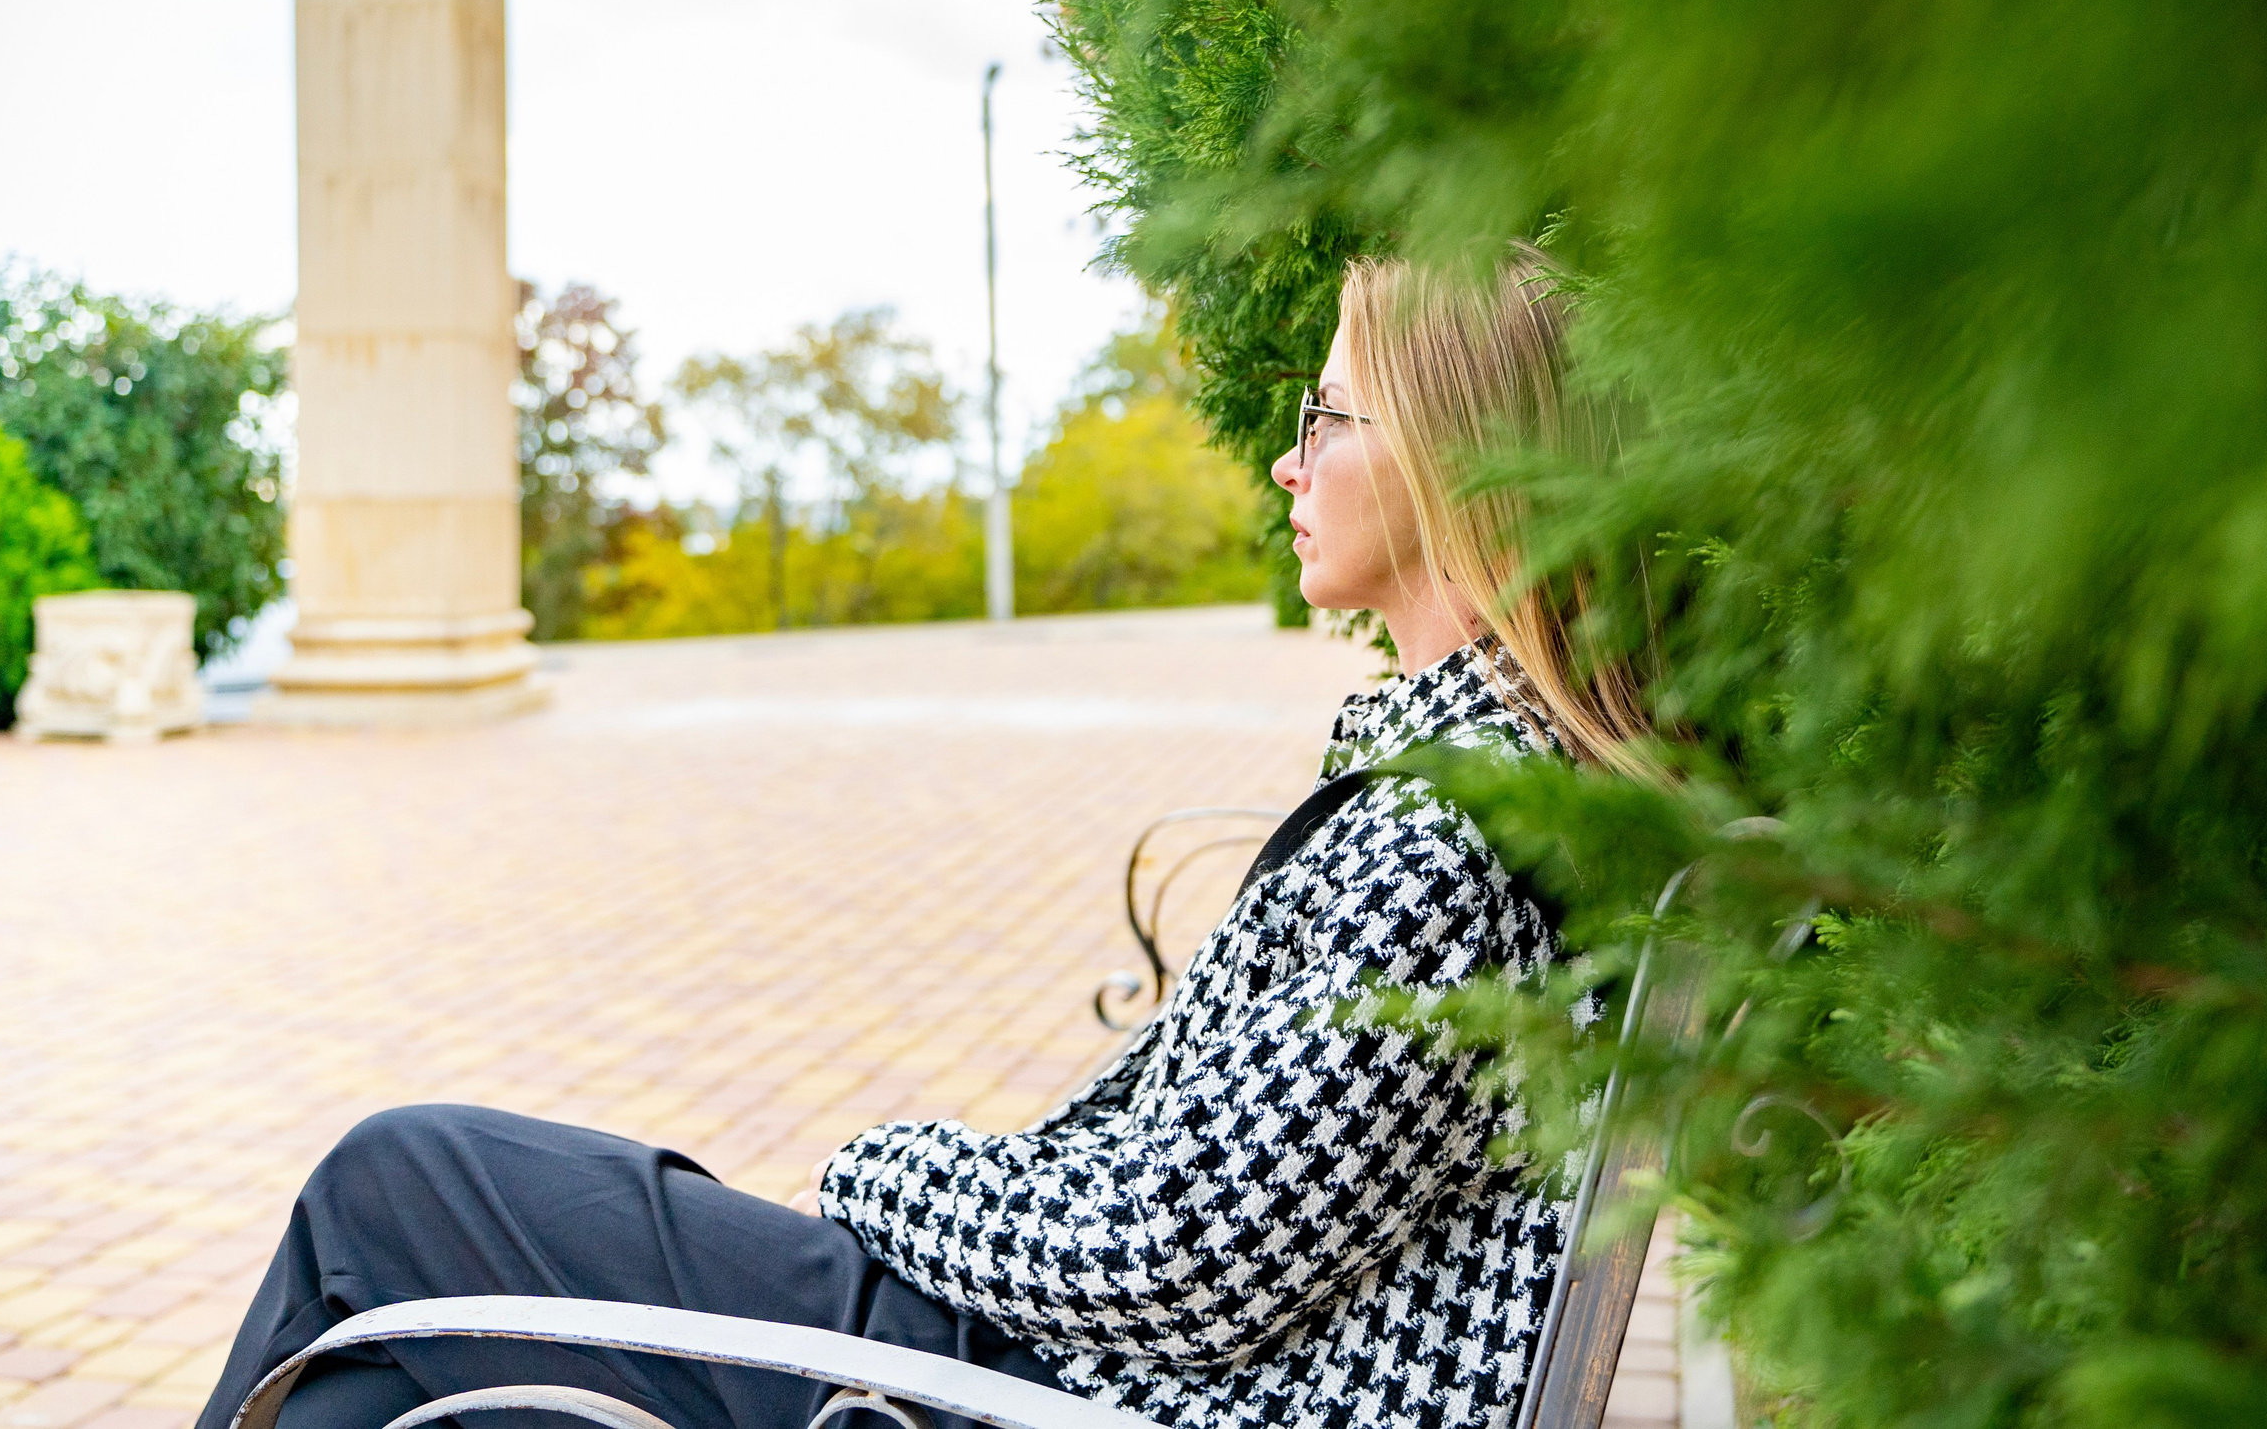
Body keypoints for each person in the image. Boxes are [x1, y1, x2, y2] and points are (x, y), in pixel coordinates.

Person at [195, 249, 1647, 1429]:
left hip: (1038, 1389)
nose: (1287, 461)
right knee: (377, 1377)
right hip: (1065, 1361)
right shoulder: (1491, 783)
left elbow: (1174, 1255)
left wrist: (887, 1169)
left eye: (1329, 418)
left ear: (1456, 464)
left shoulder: (1447, 838)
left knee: (392, 1182)